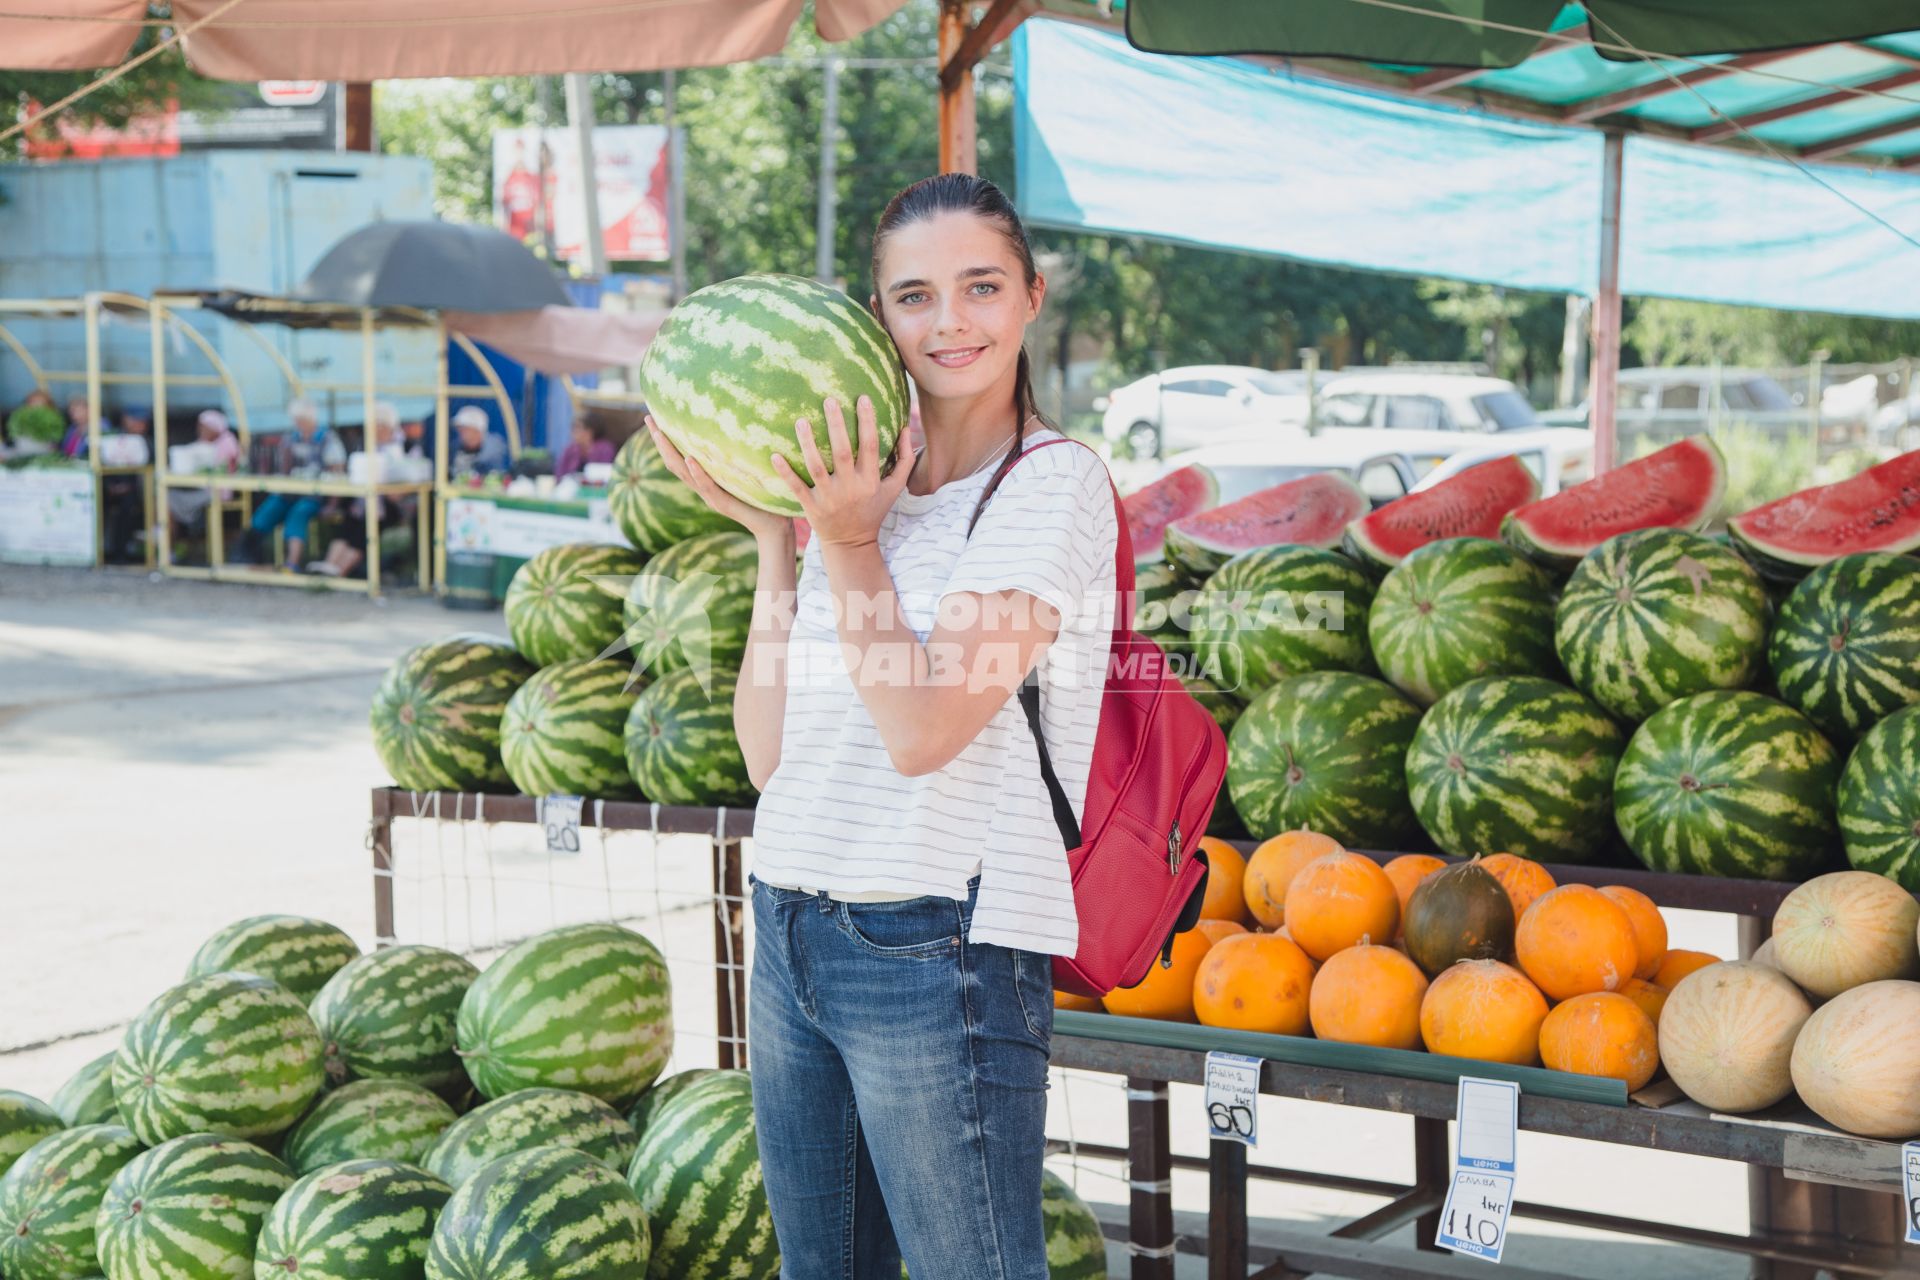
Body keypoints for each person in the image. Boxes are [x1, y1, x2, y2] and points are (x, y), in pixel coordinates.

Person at [645, 173, 1116, 1279]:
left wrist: (847, 542)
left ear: (1034, 297)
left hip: (937, 939)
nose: (949, 321)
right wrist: (780, 535)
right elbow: (771, 756)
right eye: (913, 296)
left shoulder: (1051, 489)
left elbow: (922, 728)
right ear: (877, 315)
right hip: (793, 915)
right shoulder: (857, 486)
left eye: (981, 286)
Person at [237, 397, 344, 570]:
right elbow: (284, 470)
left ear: (311, 419)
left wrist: (333, 504)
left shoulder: (328, 439)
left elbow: (337, 473)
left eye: (302, 420)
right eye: (297, 420)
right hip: (290, 492)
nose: (299, 424)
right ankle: (248, 557)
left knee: (298, 513)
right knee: (268, 509)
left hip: (315, 495)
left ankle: (292, 563)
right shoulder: (291, 439)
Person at [166, 409, 241, 549]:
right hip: (201, 488)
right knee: (164, 498)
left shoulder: (227, 441)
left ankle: (168, 548)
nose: (200, 429)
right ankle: (168, 546)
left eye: (203, 426)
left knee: (166, 500)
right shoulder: (205, 442)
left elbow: (217, 467)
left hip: (217, 491)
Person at [99, 405, 155, 564]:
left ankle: (120, 553)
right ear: (125, 420)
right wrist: (110, 485)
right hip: (109, 487)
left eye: (143, 422)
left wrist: (128, 487)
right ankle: (99, 551)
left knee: (128, 507)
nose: (140, 425)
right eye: (136, 421)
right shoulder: (112, 438)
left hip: (136, 490)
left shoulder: (148, 442)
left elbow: (148, 469)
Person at [448, 405, 508, 480]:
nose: (461, 433)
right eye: (459, 429)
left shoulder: (494, 452)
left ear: (478, 431)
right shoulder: (454, 448)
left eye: (465, 429)